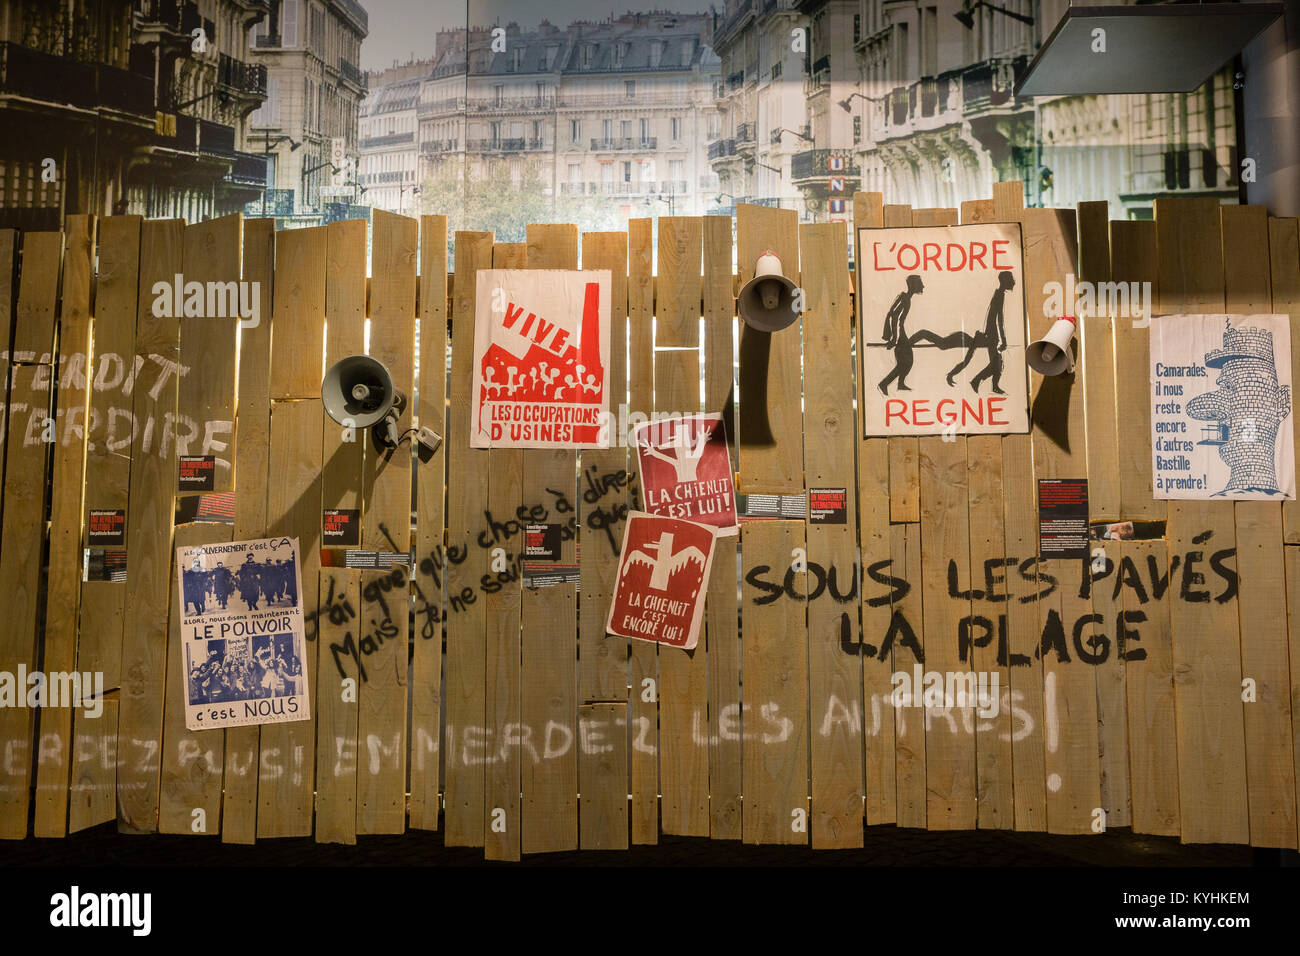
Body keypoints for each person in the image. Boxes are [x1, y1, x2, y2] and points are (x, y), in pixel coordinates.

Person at [945, 270, 1014, 393]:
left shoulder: (998, 294)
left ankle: (981, 383)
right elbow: (999, 320)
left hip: (989, 334)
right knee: (996, 363)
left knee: (996, 363)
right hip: (991, 335)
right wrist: (1002, 340)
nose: (1013, 282)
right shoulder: (999, 295)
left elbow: (992, 317)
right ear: (1005, 281)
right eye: (1011, 279)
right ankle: (978, 382)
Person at [878, 274, 924, 395]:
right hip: (899, 332)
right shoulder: (904, 298)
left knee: (907, 361)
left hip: (900, 332)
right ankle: (884, 384)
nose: (923, 286)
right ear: (914, 285)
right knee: (906, 362)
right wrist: (895, 338)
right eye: (920, 284)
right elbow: (894, 316)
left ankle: (899, 383)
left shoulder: (906, 297)